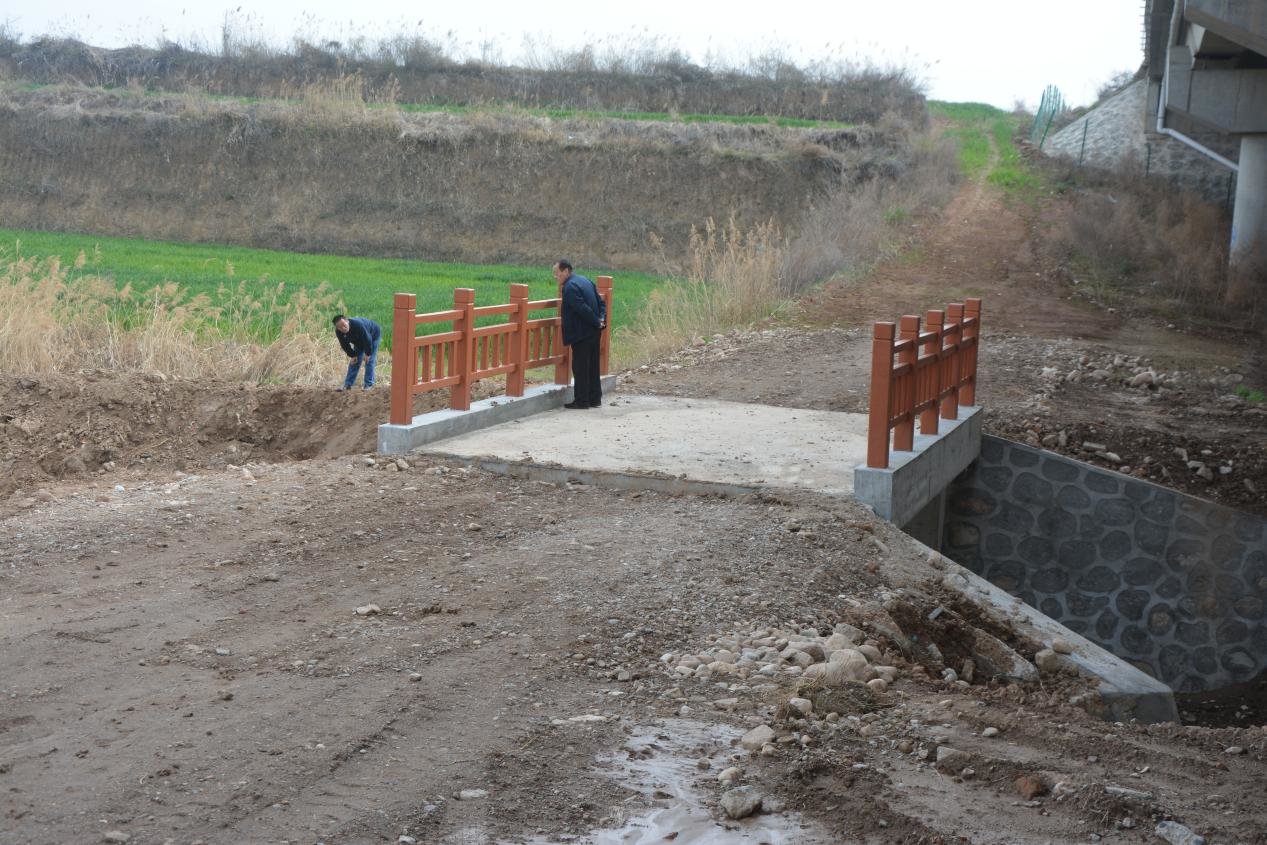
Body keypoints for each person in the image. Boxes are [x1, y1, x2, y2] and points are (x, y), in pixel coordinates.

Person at [553, 260, 606, 409]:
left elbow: (581, 308)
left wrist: (596, 321)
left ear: (566, 271)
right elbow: (601, 303)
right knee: (593, 365)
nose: (555, 277)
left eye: (557, 273)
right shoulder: (585, 280)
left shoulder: (569, 287)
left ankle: (582, 400)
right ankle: (595, 399)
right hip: (594, 331)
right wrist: (601, 319)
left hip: (582, 332)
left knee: (580, 367)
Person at [332, 314, 381, 390]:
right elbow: (344, 345)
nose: (343, 328)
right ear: (337, 328)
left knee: (369, 360)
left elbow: (367, 339)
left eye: (344, 325)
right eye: (340, 327)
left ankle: (368, 385)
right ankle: (347, 384)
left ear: (347, 321)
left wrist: (368, 354)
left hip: (373, 335)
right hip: (358, 340)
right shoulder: (339, 332)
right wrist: (352, 355)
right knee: (355, 361)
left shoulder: (357, 325)